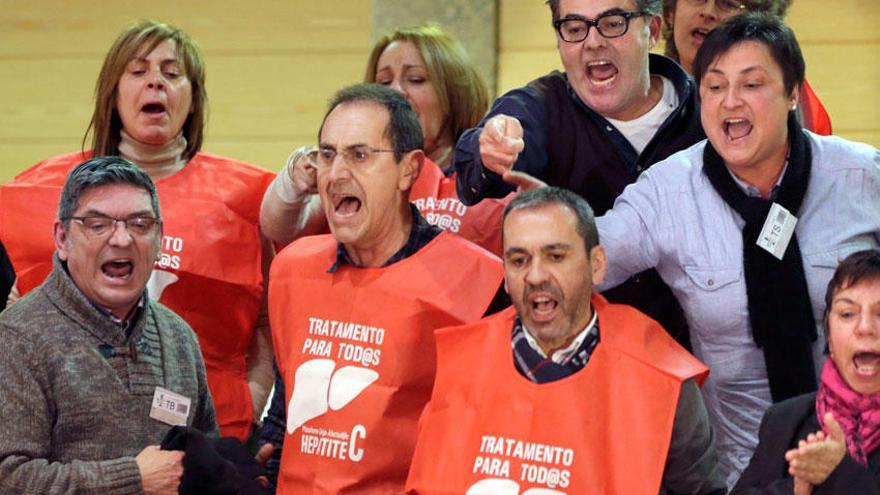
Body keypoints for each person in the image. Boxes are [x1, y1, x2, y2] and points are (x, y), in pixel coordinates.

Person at [593, 12, 880, 487]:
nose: (730, 102)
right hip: (740, 473)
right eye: (714, 86)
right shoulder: (667, 192)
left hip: (864, 465)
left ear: (793, 94)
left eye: (752, 84)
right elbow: (587, 262)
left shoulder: (861, 177)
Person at [0, 20, 276, 442]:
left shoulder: (250, 195)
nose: (156, 83)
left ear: (193, 95)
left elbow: (268, 321)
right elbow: (17, 311)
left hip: (207, 434)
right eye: (139, 70)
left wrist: (252, 406)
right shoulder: (42, 186)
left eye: (171, 72)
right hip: (74, 436)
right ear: (113, 91)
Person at [405, 187, 725, 494]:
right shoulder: (459, 362)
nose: (536, 275)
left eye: (555, 256)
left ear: (596, 265)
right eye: (519, 260)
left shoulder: (661, 378)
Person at [267, 84, 504, 493]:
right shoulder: (293, 267)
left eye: (359, 155)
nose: (338, 174)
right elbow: (283, 415)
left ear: (409, 170)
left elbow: (487, 439)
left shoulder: (479, 283)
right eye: (327, 155)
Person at [453, 0, 706, 349]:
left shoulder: (705, 113)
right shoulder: (541, 107)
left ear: (654, 30)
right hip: (573, 362)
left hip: (694, 364)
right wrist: (490, 146)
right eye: (574, 28)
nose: (592, 41)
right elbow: (474, 164)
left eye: (613, 23)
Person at [0, 157, 216, 494]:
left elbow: (202, 454)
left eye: (140, 223)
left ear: (160, 237)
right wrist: (133, 479)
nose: (122, 239)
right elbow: (8, 478)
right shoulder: (16, 338)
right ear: (62, 237)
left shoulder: (179, 338)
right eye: (97, 224)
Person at [260, 24, 510, 255]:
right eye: (383, 82)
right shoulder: (348, 167)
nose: (396, 92)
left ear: (455, 93)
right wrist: (294, 179)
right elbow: (279, 228)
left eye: (415, 79)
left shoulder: (489, 170)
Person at [732, 249, 880, 495]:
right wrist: (798, 488)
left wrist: (838, 469)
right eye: (847, 313)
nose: (865, 327)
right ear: (830, 338)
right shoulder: (784, 419)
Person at [661, 0, 832, 134]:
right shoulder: (644, 92)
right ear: (670, 14)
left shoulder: (789, 98)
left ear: (758, 24)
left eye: (728, 3)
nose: (708, 12)